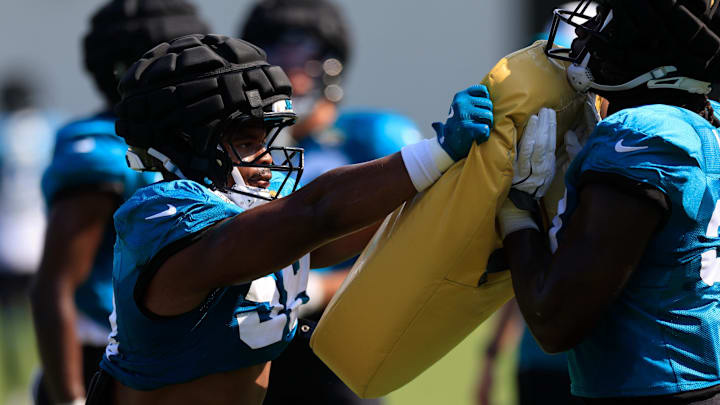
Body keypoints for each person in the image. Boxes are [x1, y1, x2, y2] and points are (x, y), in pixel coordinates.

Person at [85, 34, 493, 405]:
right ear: (187, 145)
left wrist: (460, 186)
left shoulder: (249, 225)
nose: (265, 157)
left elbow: (344, 232)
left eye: (265, 141)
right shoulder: (162, 215)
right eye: (246, 142)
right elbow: (317, 215)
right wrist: (434, 154)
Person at [500, 0, 720, 403]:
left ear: (653, 54)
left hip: (654, 390)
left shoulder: (642, 138)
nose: (585, 32)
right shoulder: (705, 123)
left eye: (607, 20)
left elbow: (553, 321)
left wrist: (517, 213)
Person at [238, 1, 422, 403]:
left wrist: (318, 288)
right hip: (252, 344)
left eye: (298, 50)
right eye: (272, 52)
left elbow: (413, 250)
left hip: (338, 341)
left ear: (330, 60)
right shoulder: (242, 148)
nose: (284, 66)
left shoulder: (373, 137)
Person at [29, 2, 208, 404]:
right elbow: (53, 286)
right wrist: (72, 398)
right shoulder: (103, 153)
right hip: (104, 365)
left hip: (169, 358)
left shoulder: (179, 144)